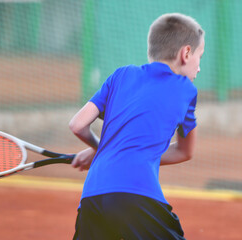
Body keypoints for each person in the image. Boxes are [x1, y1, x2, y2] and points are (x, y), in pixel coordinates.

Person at [69, 13, 205, 240]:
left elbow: (77, 125)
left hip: (93, 196)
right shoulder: (186, 89)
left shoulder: (121, 75)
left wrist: (104, 150)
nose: (199, 68)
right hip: (138, 195)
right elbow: (185, 151)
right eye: (200, 57)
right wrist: (110, 150)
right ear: (186, 53)